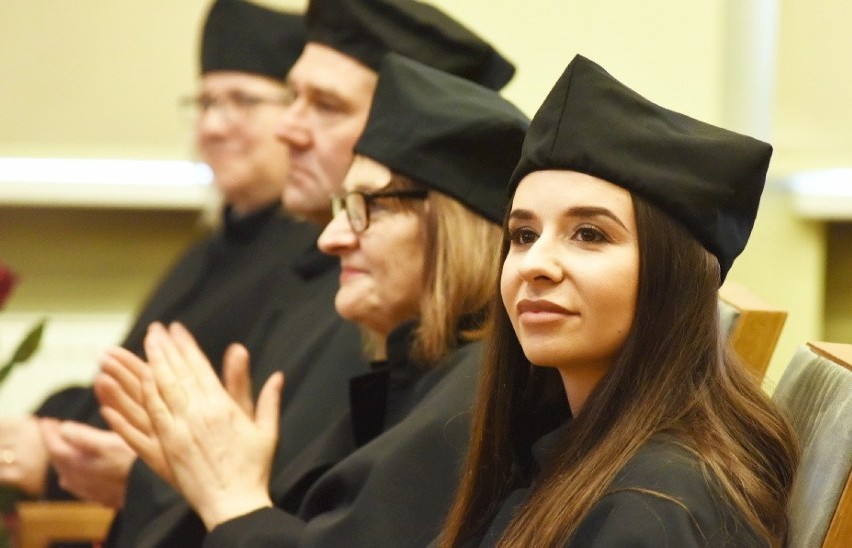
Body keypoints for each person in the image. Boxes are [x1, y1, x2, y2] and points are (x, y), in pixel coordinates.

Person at [93, 1, 519, 544]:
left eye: (370, 207)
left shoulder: (466, 402)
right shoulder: (405, 353)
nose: (332, 238)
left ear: (454, 230)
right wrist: (197, 475)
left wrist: (228, 495)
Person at [1, 2, 366, 542]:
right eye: (205, 102)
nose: (214, 124)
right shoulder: (210, 248)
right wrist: (48, 433)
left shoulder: (320, 258)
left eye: (242, 100)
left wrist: (58, 463)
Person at [438, 54, 799, 547]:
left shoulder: (656, 510)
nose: (534, 263)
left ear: (672, 276)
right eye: (523, 234)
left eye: (588, 234)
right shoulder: (564, 447)